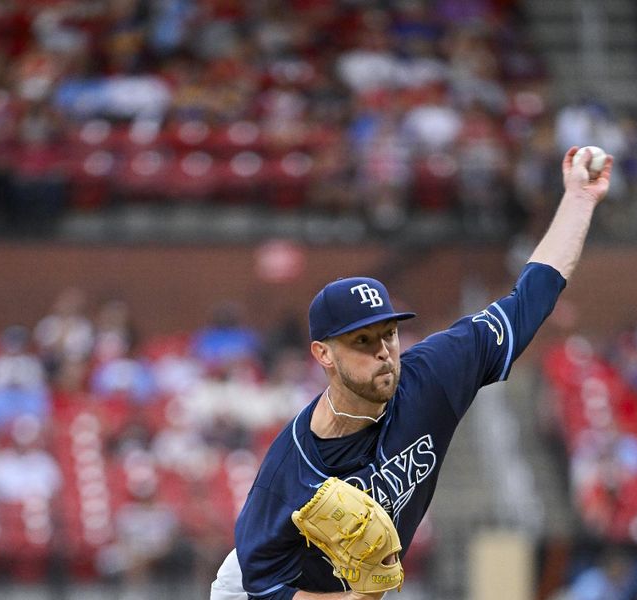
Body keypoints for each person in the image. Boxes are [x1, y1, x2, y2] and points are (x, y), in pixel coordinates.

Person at [210, 147, 614, 600]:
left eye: (389, 334)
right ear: (323, 354)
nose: (383, 352)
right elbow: (266, 589)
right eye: (362, 341)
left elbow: (529, 299)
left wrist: (579, 199)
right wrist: (362, 597)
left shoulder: (431, 376)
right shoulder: (291, 470)